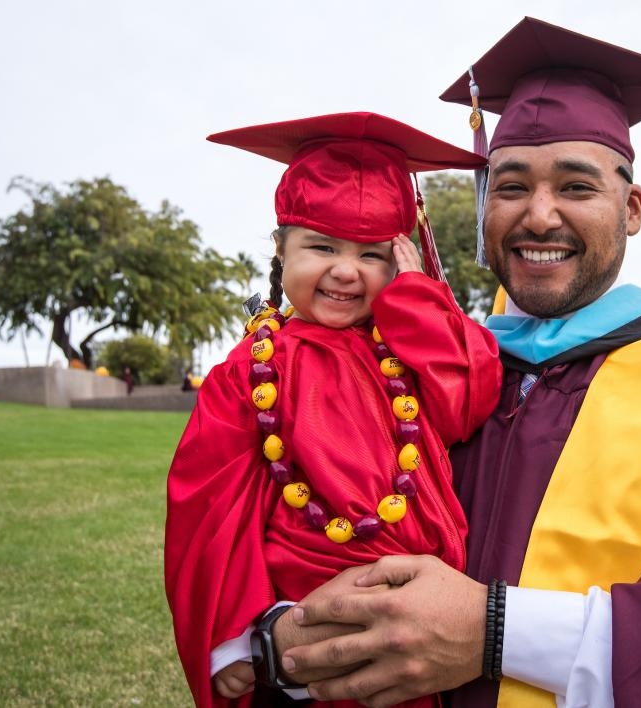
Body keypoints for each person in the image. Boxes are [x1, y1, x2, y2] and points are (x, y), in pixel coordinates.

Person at [273, 18, 641, 708]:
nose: (538, 216)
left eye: (576, 187)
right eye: (508, 187)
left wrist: (498, 632)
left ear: (632, 208)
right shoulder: (425, 372)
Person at [164, 112, 501, 707]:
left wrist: (415, 300)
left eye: (373, 255)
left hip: (426, 616)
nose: (346, 270)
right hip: (309, 622)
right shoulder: (248, 371)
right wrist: (237, 639)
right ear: (280, 249)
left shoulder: (403, 350)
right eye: (321, 247)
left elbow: (469, 399)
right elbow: (212, 504)